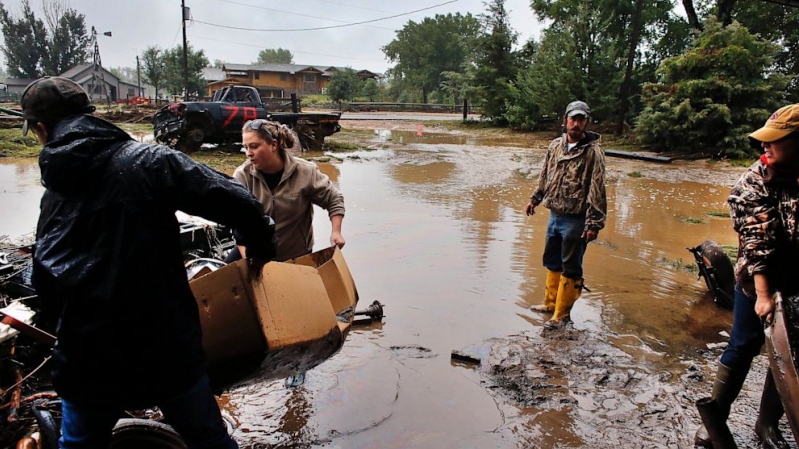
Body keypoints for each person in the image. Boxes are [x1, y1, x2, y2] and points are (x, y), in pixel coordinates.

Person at [24, 76, 277, 448]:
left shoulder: (54, 195)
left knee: (78, 444)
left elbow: (44, 274)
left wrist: (63, 328)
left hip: (87, 356)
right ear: (92, 117)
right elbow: (243, 205)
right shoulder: (150, 161)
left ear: (42, 128)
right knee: (208, 440)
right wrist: (259, 254)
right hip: (165, 346)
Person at [694, 104, 799, 448]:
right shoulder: (753, 182)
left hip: (796, 283)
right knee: (742, 344)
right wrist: (764, 294)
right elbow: (757, 244)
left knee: (785, 356)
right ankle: (714, 420)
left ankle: (767, 424)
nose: (764, 147)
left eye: (775, 141)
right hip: (756, 279)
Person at [525, 100, 607, 326]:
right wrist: (535, 199)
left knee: (571, 265)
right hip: (555, 215)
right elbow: (545, 175)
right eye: (573, 118)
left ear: (586, 123)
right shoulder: (555, 146)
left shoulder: (593, 153)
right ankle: (550, 304)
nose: (576, 123)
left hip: (577, 218)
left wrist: (593, 224)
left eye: (581, 119)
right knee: (552, 260)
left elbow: (597, 189)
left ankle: (561, 315)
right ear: (565, 120)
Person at [230, 118, 345, 262]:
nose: (248, 153)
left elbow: (333, 199)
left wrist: (336, 232)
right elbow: (237, 220)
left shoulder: (306, 172)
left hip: (296, 254)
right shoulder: (243, 175)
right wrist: (249, 259)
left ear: (273, 145)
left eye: (254, 146)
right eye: (245, 147)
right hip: (255, 253)